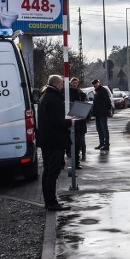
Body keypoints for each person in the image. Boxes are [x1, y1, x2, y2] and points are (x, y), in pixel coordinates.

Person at [38, 74, 74, 211]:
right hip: (55, 141)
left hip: (47, 141)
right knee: (52, 173)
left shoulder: (44, 97)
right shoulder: (54, 99)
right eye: (61, 84)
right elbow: (56, 122)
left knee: (47, 172)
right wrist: (70, 121)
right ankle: (52, 203)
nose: (62, 86)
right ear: (57, 84)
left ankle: (49, 202)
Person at [68, 77, 88, 166]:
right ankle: (72, 155)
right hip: (73, 121)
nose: (74, 84)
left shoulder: (80, 93)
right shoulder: (69, 93)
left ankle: (82, 153)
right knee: (74, 139)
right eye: (73, 83)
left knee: (81, 139)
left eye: (76, 83)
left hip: (80, 122)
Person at [91, 79, 113, 150]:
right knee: (99, 129)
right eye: (94, 84)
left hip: (102, 114)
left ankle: (106, 144)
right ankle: (101, 143)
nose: (95, 85)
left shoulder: (102, 90)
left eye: (96, 84)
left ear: (99, 83)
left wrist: (107, 110)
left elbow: (108, 101)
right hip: (97, 114)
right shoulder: (97, 91)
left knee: (104, 129)